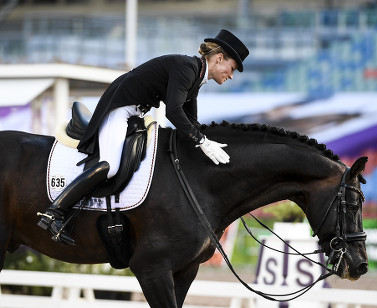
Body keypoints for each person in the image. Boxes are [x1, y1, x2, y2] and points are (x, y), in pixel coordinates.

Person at [37, 29, 249, 245]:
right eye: (232, 68)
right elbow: (174, 112)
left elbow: (190, 120)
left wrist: (207, 140)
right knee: (110, 165)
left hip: (134, 113)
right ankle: (54, 212)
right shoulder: (188, 68)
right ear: (220, 58)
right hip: (120, 108)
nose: (231, 75)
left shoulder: (197, 75)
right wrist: (202, 141)